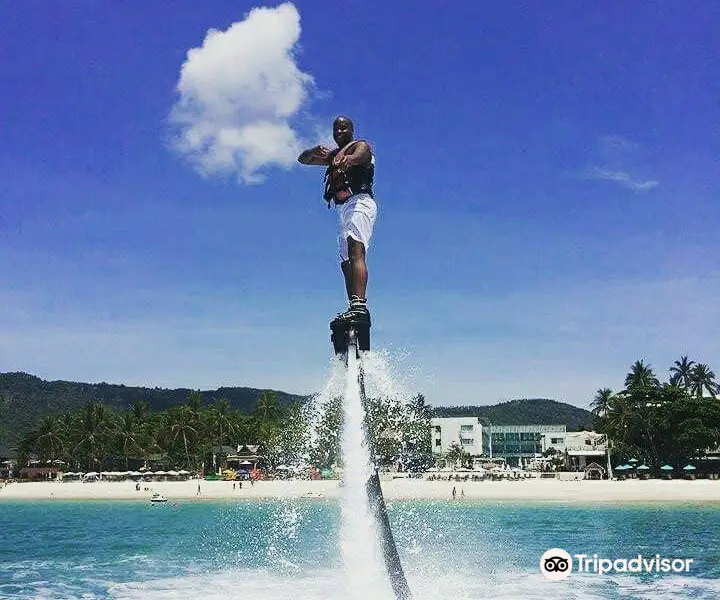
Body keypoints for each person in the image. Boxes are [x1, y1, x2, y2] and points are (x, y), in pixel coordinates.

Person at [298, 116, 377, 321]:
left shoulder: (360, 146)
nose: (339, 133)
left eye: (343, 128)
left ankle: (360, 304)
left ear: (351, 129)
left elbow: (360, 156)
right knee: (345, 259)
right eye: (336, 130)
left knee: (355, 248)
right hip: (343, 209)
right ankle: (353, 304)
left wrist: (348, 160)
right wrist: (313, 151)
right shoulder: (334, 155)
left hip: (360, 202)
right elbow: (303, 160)